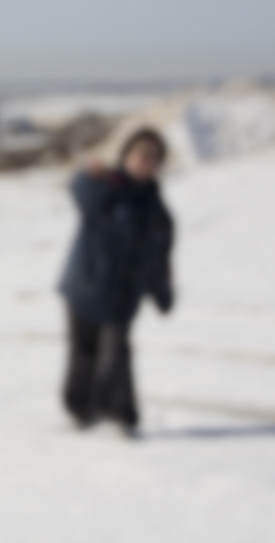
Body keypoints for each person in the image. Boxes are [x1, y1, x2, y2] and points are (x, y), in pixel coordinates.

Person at [56, 128, 174, 436]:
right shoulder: (107, 187)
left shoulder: (157, 209)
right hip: (85, 286)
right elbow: (82, 196)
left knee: (116, 355)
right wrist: (86, 175)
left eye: (153, 156)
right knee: (83, 353)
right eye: (141, 153)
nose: (145, 161)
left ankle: (121, 414)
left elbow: (160, 255)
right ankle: (80, 411)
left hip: (123, 295)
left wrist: (162, 292)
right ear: (126, 155)